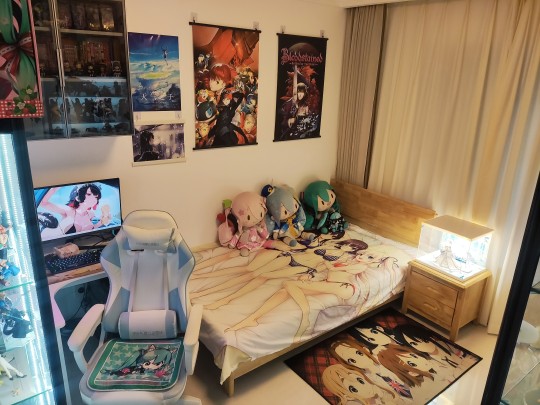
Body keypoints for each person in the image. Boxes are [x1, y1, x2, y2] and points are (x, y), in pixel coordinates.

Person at [39, 183, 110, 237]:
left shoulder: (91, 214)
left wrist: (102, 221)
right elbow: (43, 203)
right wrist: (56, 186)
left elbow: (92, 228)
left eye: (96, 197)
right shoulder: (69, 211)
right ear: (78, 197)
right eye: (89, 194)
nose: (93, 198)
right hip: (50, 239)